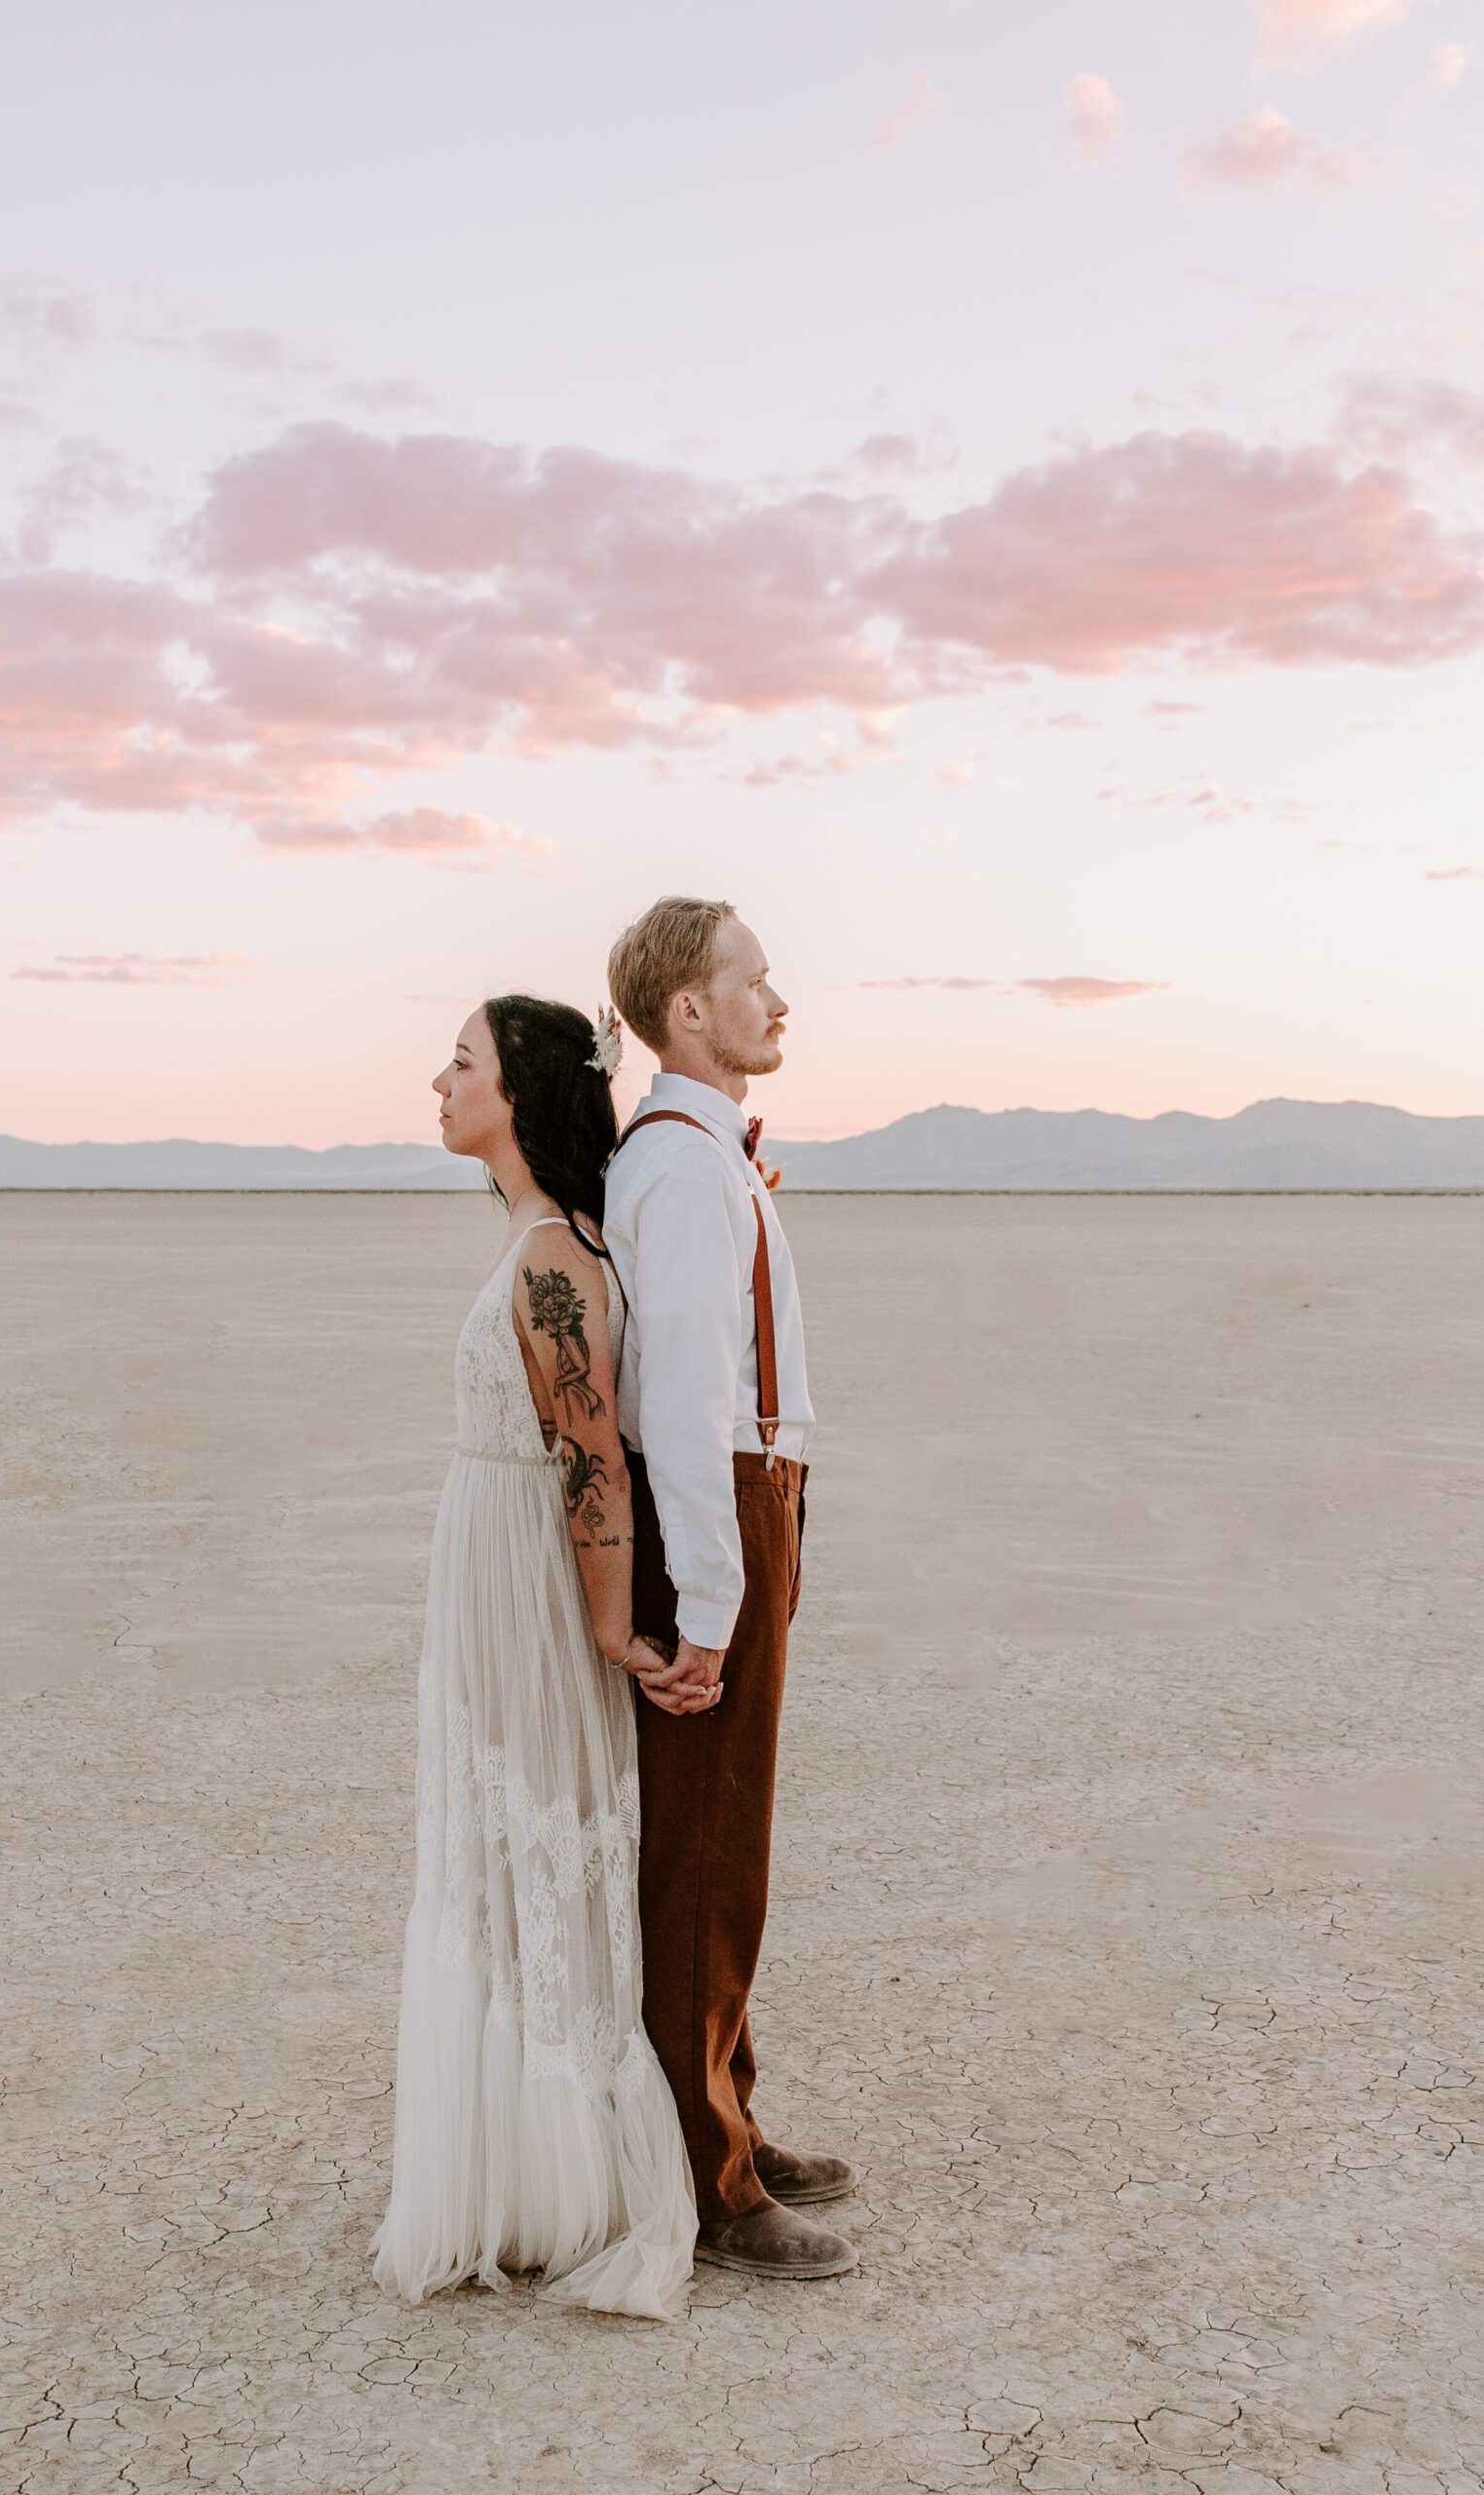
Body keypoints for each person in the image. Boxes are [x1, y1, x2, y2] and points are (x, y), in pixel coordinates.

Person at [370, 994, 699, 2321]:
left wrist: (613, 1627)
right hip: (488, 1569)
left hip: (528, 1584)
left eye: (461, 1062)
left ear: (519, 1090)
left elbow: (593, 1458)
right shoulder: (532, 1240)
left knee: (536, 1857)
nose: (437, 1083)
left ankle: (559, 2179)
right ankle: (512, 2166)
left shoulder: (556, 1258)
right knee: (496, 1861)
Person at [603, 897, 858, 2281]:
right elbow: (689, 1401)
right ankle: (709, 2181)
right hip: (723, 1506)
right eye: (756, 979)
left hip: (760, 1499)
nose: (780, 998)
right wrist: (712, 1602)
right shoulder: (685, 1170)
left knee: (727, 1840)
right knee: (703, 1848)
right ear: (688, 1011)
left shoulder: (709, 1159)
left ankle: (733, 2123)